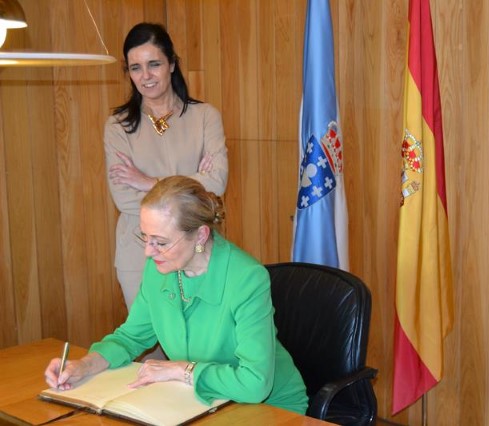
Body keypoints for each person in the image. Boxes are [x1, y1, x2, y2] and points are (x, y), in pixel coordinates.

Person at [44, 176, 309, 415]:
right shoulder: (159, 269)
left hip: (269, 408)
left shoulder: (246, 279)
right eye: (145, 237)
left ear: (200, 236)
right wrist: (84, 366)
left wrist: (183, 370)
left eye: (160, 242)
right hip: (202, 402)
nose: (149, 252)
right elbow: (130, 338)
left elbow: (255, 384)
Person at [105, 22, 228, 310]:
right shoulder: (117, 126)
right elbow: (124, 197)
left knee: (201, 344)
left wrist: (148, 182)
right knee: (151, 346)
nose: (145, 76)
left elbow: (218, 183)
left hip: (198, 246)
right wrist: (195, 182)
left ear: (172, 64)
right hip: (140, 251)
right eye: (135, 68)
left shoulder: (205, 116)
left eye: (154, 64)